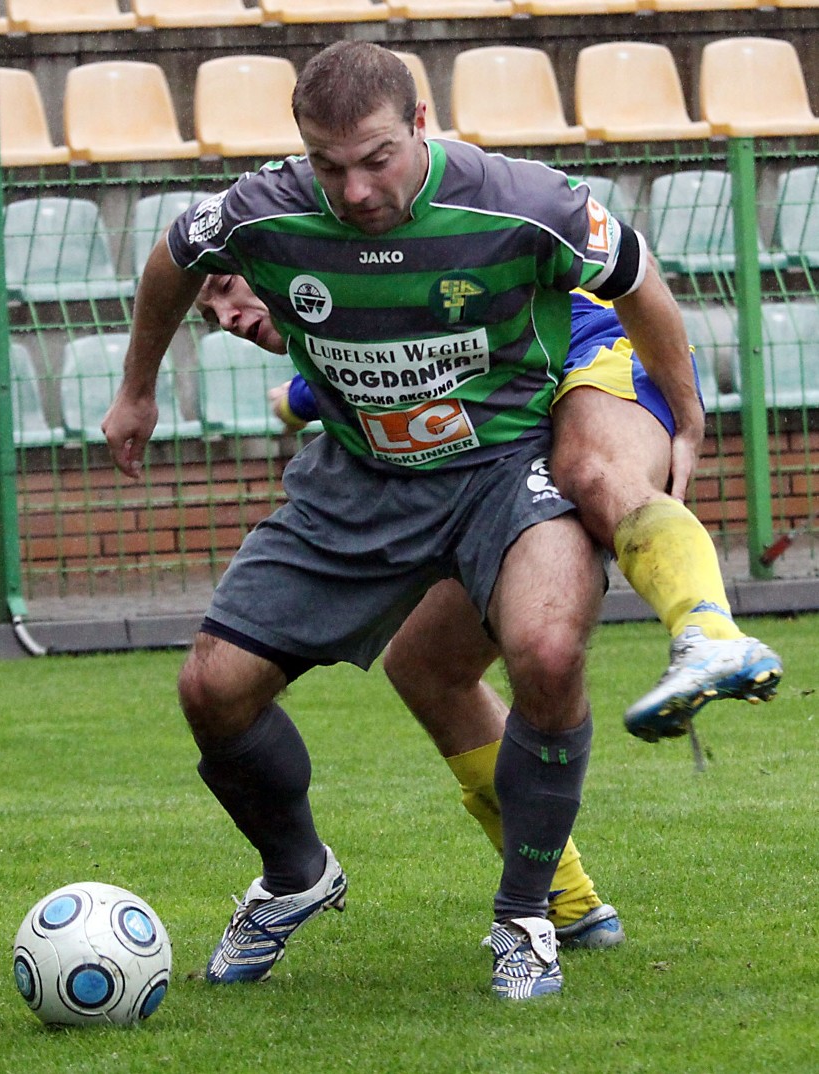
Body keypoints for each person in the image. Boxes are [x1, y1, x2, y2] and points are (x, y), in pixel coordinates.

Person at [102, 42, 777, 1001]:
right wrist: (138, 393)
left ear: (423, 125)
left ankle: (544, 892)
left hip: (529, 434)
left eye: (375, 159)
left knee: (570, 570)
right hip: (366, 485)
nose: (355, 189)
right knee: (245, 686)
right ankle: (306, 877)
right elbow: (174, 258)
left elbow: (633, 275)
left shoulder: (519, 202)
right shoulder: (271, 232)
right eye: (330, 167)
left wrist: (688, 409)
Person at [197, 274, 784, 949]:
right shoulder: (325, 325)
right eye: (210, 313)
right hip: (504, 433)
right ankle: (568, 902)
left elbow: (615, 264)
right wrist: (302, 395)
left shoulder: (374, 252)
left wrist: (295, 399)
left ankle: (708, 633)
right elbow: (376, 364)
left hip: (590, 354)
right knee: (425, 666)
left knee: (593, 472)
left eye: (225, 288)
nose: (227, 316)